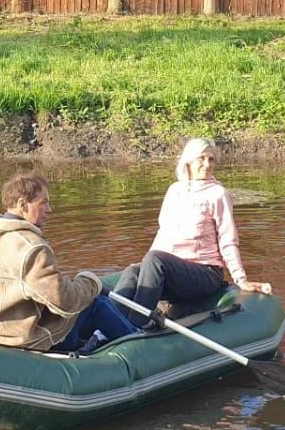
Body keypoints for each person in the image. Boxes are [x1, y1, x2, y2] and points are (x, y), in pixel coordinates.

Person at [0, 173, 138, 352]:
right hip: (28, 340)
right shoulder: (31, 248)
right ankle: (140, 344)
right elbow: (65, 301)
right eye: (43, 202)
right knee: (97, 304)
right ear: (22, 205)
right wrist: (90, 282)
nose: (50, 209)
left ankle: (95, 342)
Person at [113, 138, 273, 327]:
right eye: (202, 159)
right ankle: (105, 327)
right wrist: (146, 266)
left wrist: (241, 279)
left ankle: (133, 328)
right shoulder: (174, 190)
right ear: (188, 161)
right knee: (133, 272)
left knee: (154, 260)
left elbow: (228, 240)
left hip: (205, 273)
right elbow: (164, 234)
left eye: (211, 159)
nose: (207, 164)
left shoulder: (218, 194)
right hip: (174, 271)